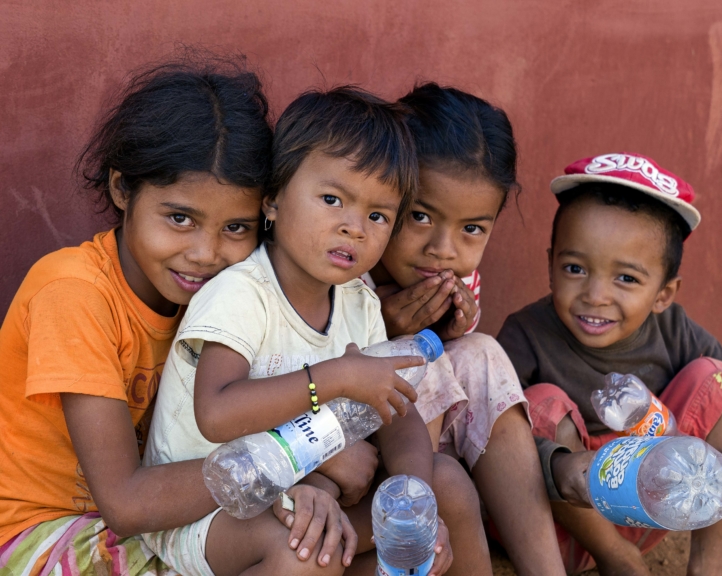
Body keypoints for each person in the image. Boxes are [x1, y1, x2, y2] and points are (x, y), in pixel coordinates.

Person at [0, 55, 353, 576]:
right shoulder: (74, 293)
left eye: (236, 228)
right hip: (44, 533)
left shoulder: (236, 296)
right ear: (122, 189)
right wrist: (294, 460)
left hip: (171, 512)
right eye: (180, 218)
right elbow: (125, 503)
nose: (205, 254)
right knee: (295, 550)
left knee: (339, 541)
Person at [143, 85, 493, 576]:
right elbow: (216, 415)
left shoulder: (358, 302)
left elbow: (397, 414)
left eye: (377, 215)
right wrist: (334, 378)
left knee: (446, 485)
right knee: (307, 550)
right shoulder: (241, 293)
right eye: (332, 199)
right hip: (210, 512)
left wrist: (413, 500)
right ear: (272, 199)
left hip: (302, 490)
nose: (355, 227)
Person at [497, 152, 722, 575]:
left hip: (654, 507)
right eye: (575, 268)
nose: (596, 295)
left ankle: (707, 567)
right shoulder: (525, 334)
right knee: (539, 405)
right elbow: (485, 438)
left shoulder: (674, 330)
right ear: (550, 266)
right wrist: (558, 463)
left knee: (720, 381)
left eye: (626, 278)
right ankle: (617, 557)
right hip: (557, 527)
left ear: (664, 294)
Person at [361, 83, 565, 576]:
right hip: (350, 449)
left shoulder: (449, 273)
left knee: (481, 351)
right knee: (418, 354)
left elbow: (459, 338)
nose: (443, 249)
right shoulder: (350, 255)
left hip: (426, 434)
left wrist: (455, 325)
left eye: (471, 229)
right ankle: (414, 525)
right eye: (420, 216)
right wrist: (383, 323)